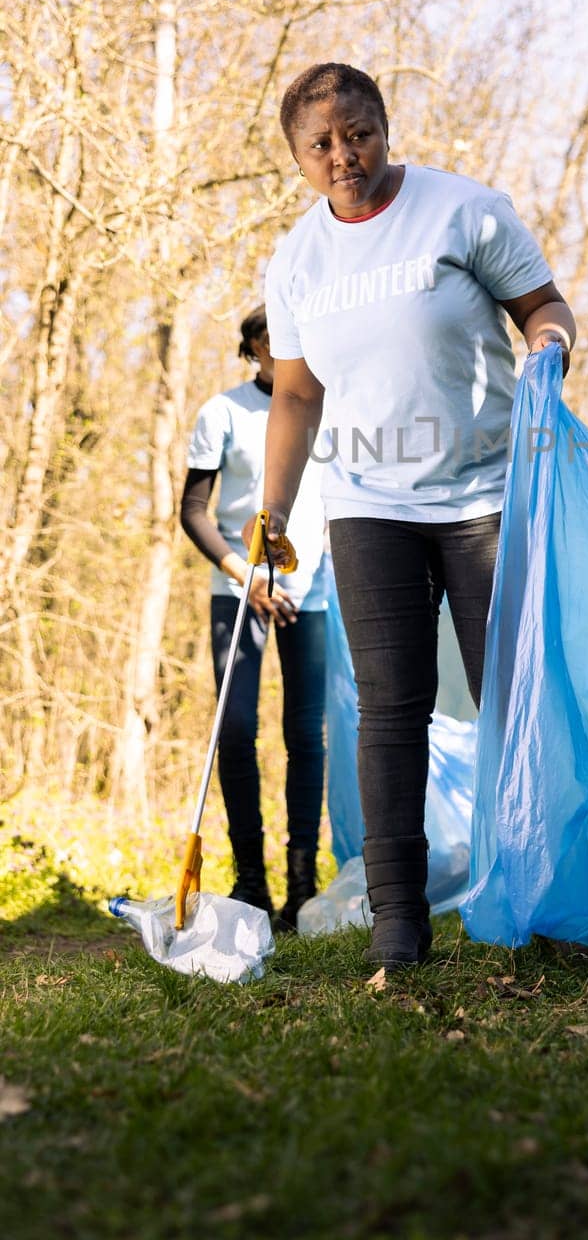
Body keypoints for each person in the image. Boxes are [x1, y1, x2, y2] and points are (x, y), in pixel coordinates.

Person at [254, 62, 577, 970]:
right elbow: (294, 397)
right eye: (318, 145)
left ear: (383, 127)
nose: (341, 156)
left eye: (355, 133)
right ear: (297, 158)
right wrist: (274, 514)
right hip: (366, 504)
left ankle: (544, 900)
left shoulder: (462, 210)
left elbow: (541, 307)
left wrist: (550, 346)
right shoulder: (295, 260)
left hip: (481, 495)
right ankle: (398, 920)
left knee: (510, 700)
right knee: (392, 708)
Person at [181, 306, 330, 930]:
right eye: (270, 339)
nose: (282, 347)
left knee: (305, 737)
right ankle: (252, 883)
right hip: (238, 590)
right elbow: (193, 509)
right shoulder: (222, 411)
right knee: (237, 730)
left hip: (310, 592)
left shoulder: (329, 406)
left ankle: (302, 887)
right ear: (252, 348)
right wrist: (246, 575)